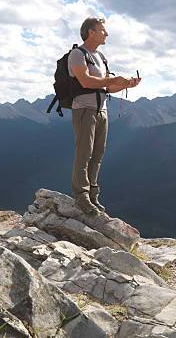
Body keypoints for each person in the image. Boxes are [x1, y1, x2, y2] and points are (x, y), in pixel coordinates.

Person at [68, 17, 141, 215]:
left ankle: (93, 195)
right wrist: (115, 79)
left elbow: (107, 87)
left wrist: (126, 84)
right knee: (84, 153)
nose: (106, 33)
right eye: (102, 30)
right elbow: (85, 81)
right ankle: (81, 197)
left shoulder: (100, 56)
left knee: (97, 154)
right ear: (91, 32)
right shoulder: (77, 54)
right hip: (84, 109)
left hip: (102, 110)